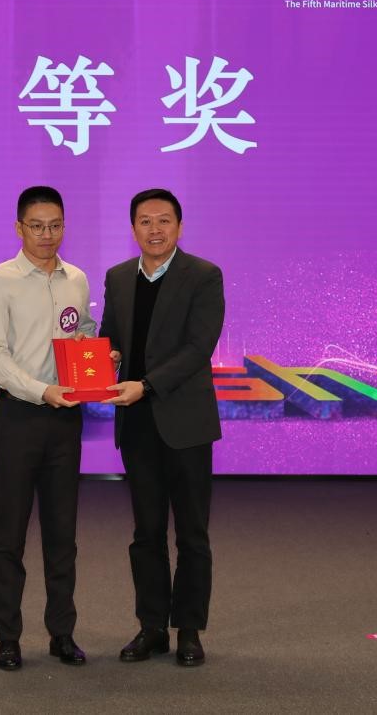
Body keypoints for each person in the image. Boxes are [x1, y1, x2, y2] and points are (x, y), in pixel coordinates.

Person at [101, 188, 224, 667]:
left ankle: (189, 630)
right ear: (133, 228)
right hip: (136, 425)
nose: (155, 229)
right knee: (146, 532)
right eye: (145, 221)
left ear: (179, 226)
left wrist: (147, 385)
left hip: (185, 422)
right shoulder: (118, 277)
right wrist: (108, 355)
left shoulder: (204, 275)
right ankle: (152, 627)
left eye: (164, 220)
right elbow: (111, 336)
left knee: (192, 533)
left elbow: (198, 348)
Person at [0, 185, 95, 671]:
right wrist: (41, 391)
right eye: (37, 226)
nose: (48, 235)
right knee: (10, 533)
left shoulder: (76, 279)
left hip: (66, 419)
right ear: (19, 227)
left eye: (56, 225)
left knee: (63, 533)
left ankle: (62, 633)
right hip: (20, 417)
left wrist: (97, 354)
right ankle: (7, 637)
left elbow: (81, 330)